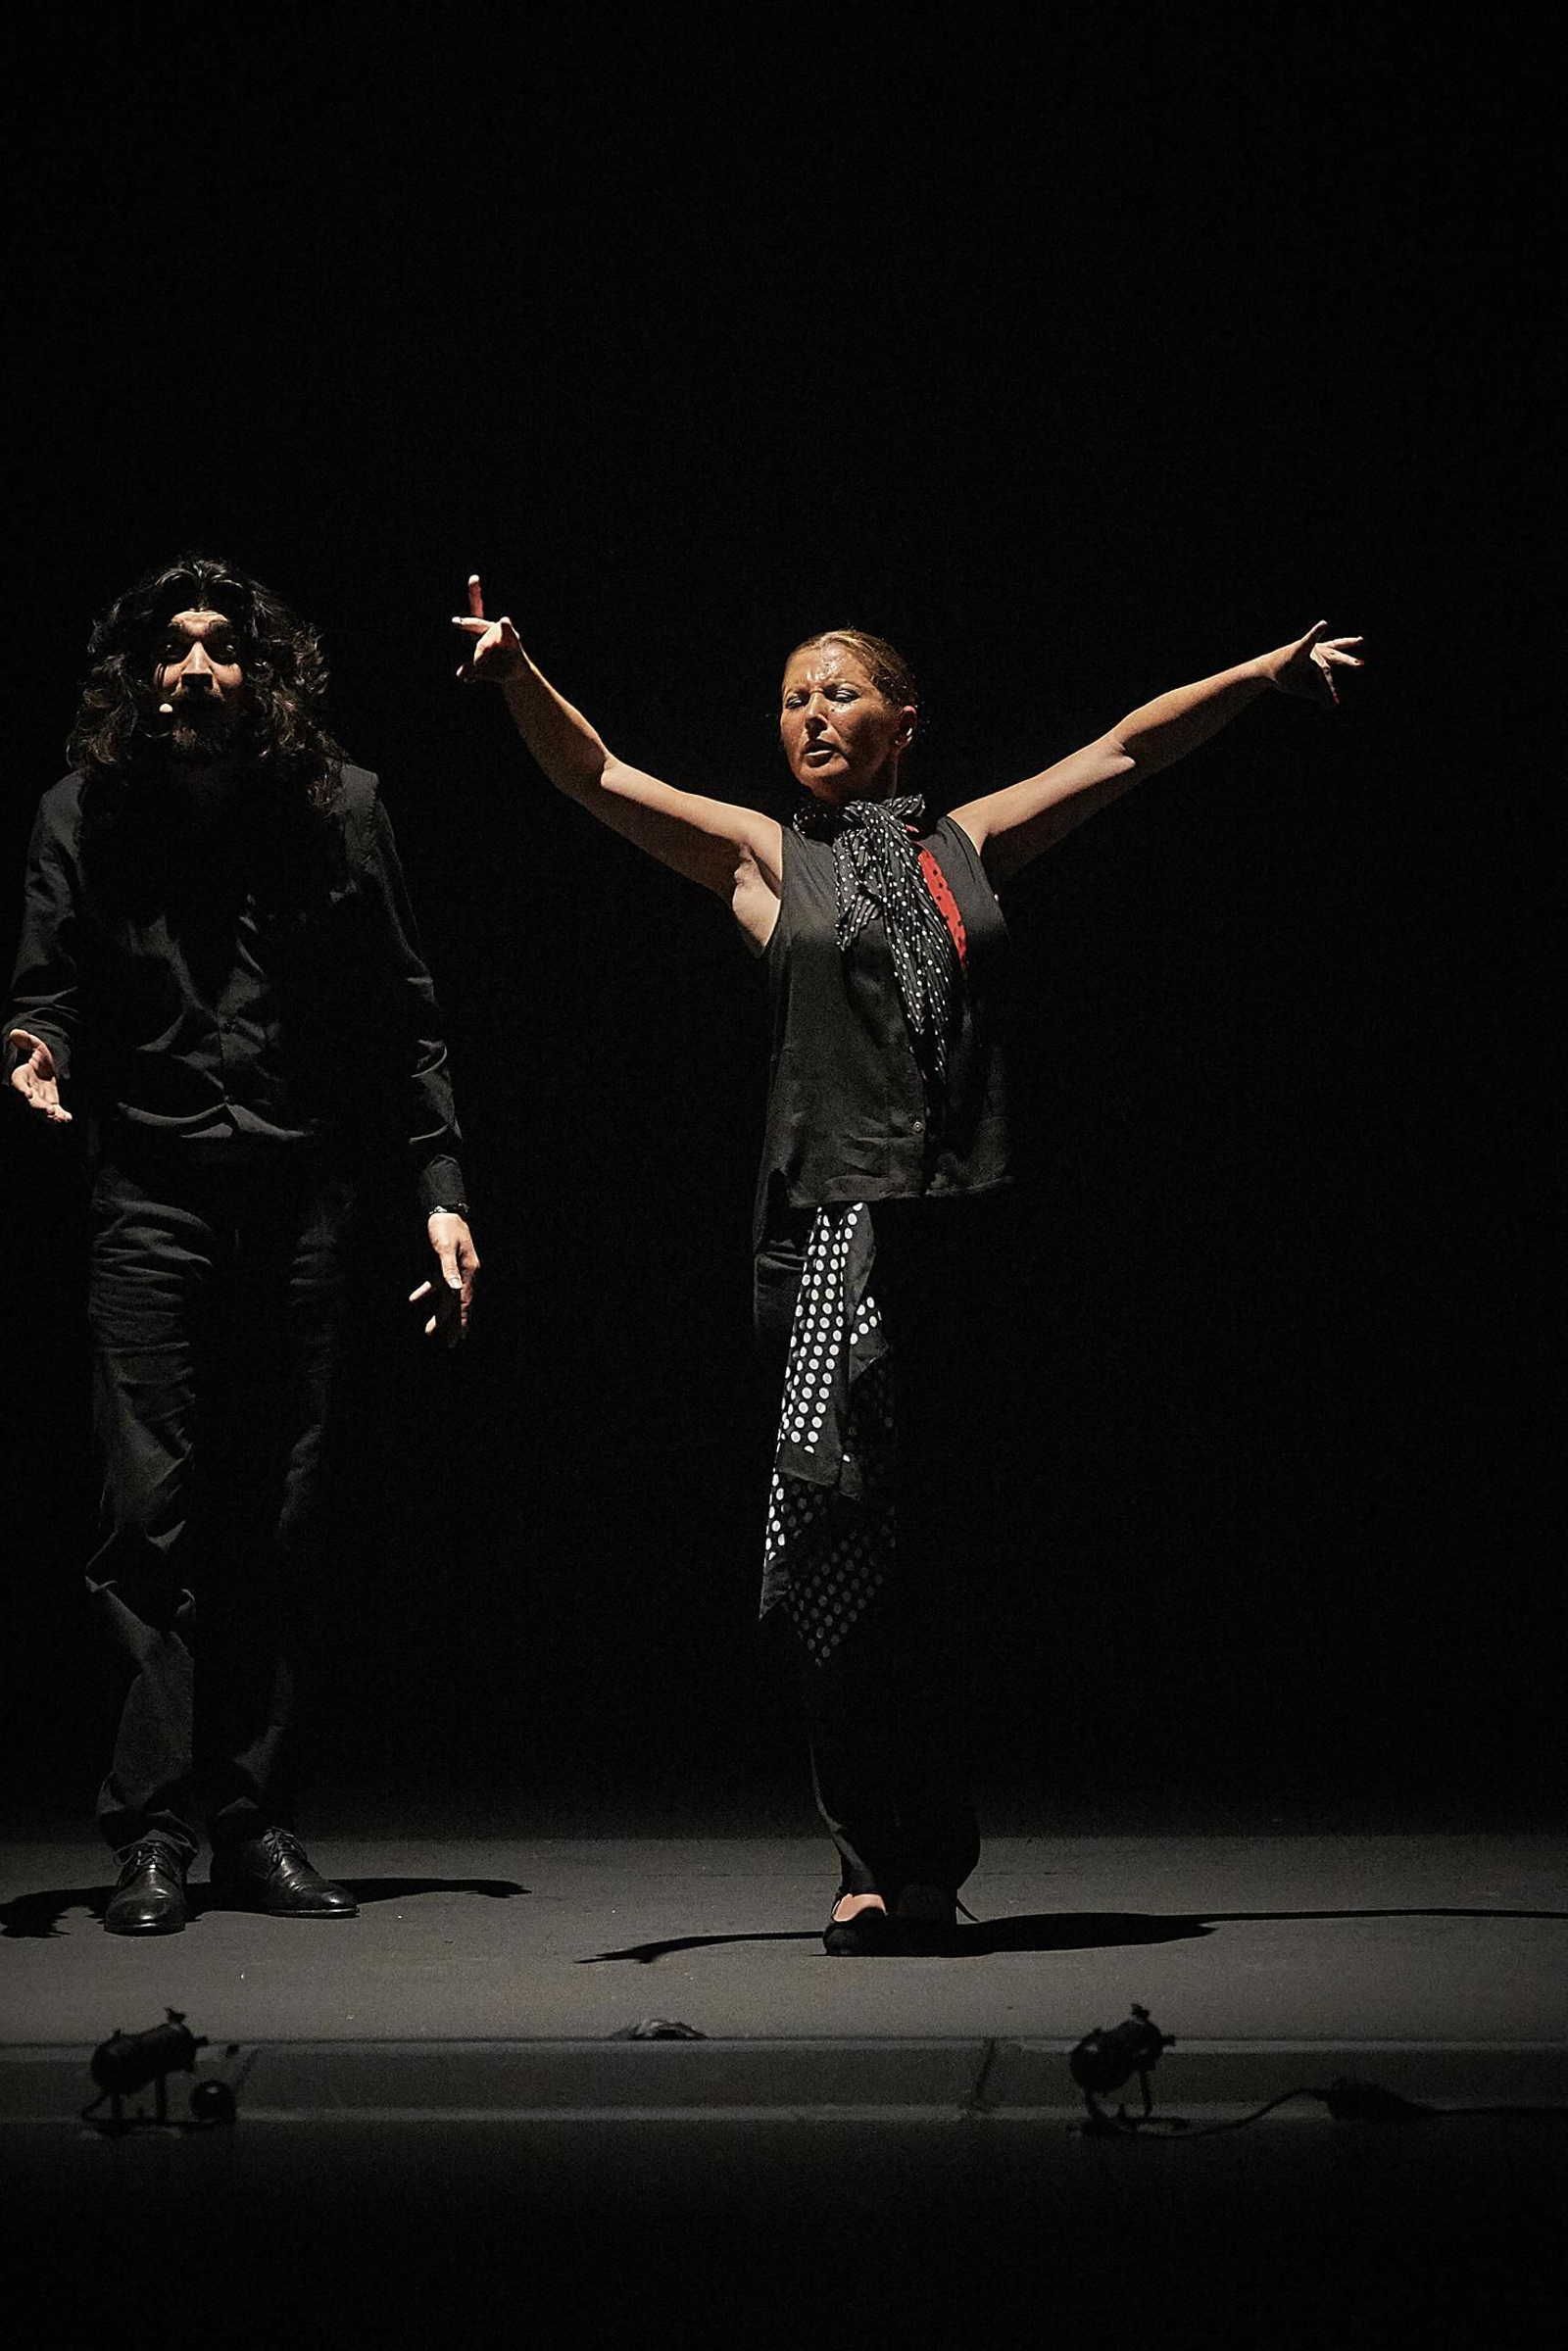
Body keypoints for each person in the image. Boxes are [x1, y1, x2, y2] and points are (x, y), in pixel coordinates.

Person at [453, 574, 1359, 1953]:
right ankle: (870, 1860)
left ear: (903, 721)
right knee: (841, 1553)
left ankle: (931, 1854)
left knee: (936, 1563)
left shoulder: (969, 838)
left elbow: (1124, 749)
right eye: (792, 697)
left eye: (840, 690)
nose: (812, 711)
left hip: (962, 1231)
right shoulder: (768, 856)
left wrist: (1259, 674)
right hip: (822, 1236)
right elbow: (596, 775)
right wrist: (519, 672)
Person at [5, 556, 480, 1935]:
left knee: (279, 1517)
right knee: (146, 1518)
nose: (198, 667)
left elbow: (406, 1013)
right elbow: (43, 990)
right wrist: (31, 1049)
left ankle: (255, 1821)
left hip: (305, 1202)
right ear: (140, 678)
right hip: (147, 1199)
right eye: (175, 646)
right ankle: (150, 1836)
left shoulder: (342, 809)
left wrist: (442, 1186)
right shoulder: (79, 813)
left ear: (262, 680)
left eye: (225, 648)